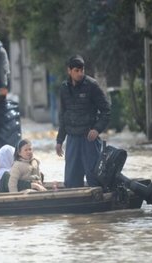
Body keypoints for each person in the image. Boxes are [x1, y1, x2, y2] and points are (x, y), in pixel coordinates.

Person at [55, 55, 111, 188]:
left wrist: (97, 129)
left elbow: (106, 111)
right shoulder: (64, 88)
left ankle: (100, 204)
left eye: (82, 70)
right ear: (69, 71)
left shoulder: (92, 85)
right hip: (72, 140)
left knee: (94, 178)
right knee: (71, 180)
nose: (80, 73)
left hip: (89, 140)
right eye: (76, 70)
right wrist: (59, 140)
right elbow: (63, 116)